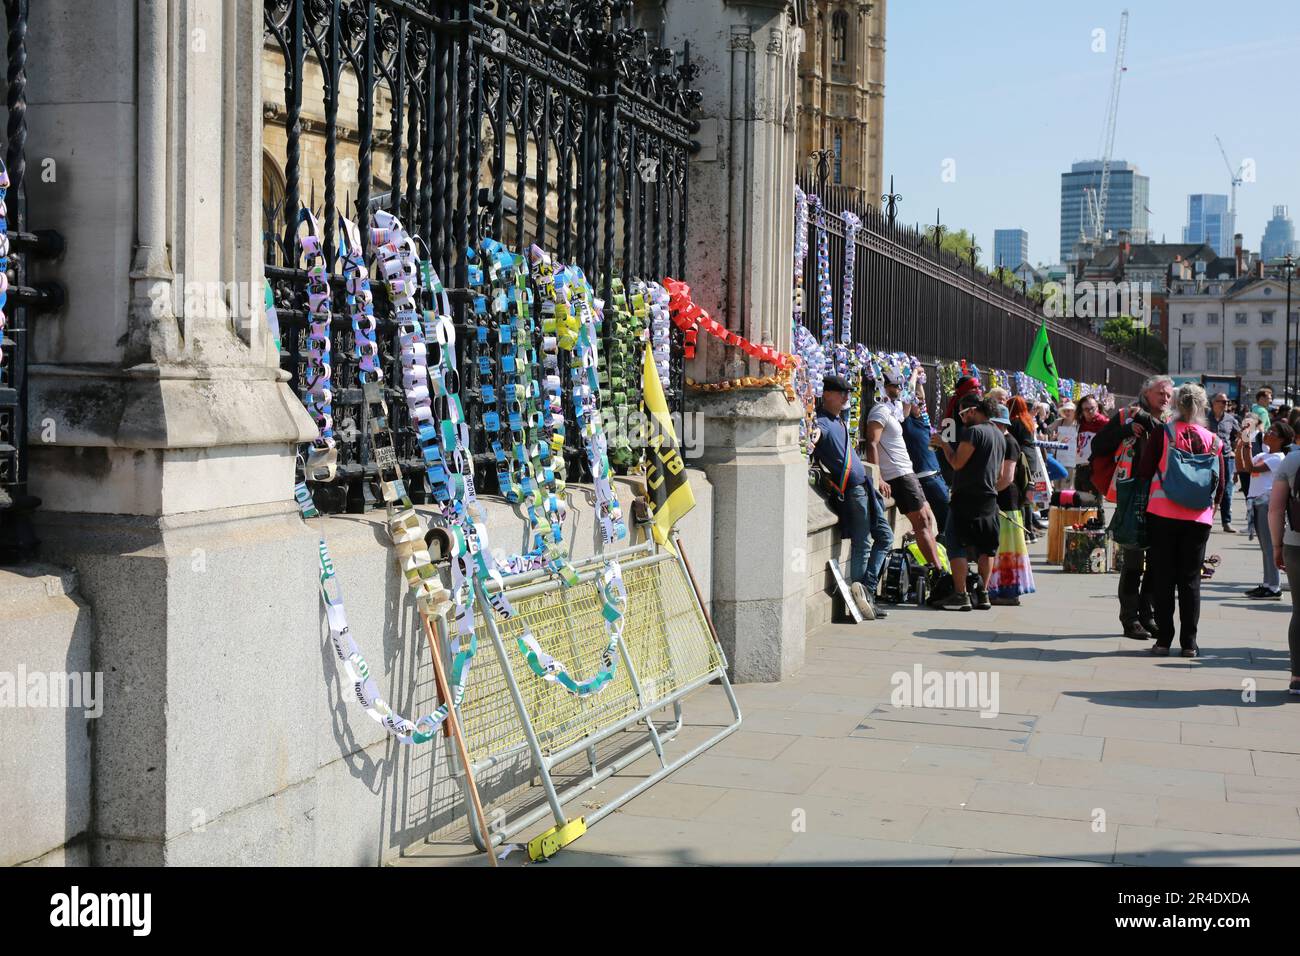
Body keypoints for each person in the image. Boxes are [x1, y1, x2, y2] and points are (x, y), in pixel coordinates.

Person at [1137, 383, 1226, 657]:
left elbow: (1144, 472)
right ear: (1203, 407)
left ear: (1175, 404)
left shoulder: (1164, 434)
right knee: (1190, 581)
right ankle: (1190, 643)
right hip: (1198, 518)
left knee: (1163, 578)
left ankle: (1164, 639)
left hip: (1163, 513)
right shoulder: (1214, 440)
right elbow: (1220, 485)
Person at [1090, 374, 1172, 640]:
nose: (1166, 398)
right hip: (1132, 497)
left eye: (1169, 394)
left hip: (1162, 498)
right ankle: (1130, 618)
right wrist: (1126, 430)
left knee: (1157, 562)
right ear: (1147, 393)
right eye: (1161, 393)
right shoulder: (1127, 415)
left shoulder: (1172, 420)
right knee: (1134, 560)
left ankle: (1147, 615)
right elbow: (1098, 445)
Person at [812, 375, 892, 621]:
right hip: (853, 490)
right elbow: (813, 438)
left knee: (885, 537)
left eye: (848, 392)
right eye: (841, 392)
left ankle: (865, 589)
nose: (847, 397)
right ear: (827, 394)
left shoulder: (839, 420)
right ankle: (862, 594)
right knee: (863, 542)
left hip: (865, 486)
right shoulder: (822, 421)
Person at [929, 394, 1002, 612]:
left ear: (972, 411)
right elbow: (998, 472)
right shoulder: (998, 434)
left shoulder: (973, 432)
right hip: (989, 498)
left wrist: (943, 445)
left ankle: (961, 595)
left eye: (962, 414)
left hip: (966, 498)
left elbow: (957, 463)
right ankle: (983, 593)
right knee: (986, 548)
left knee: (956, 543)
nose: (961, 419)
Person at [865, 368, 944, 569]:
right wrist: (878, 477)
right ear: (882, 386)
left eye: (899, 385)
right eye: (893, 384)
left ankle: (937, 567)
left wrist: (915, 376)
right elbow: (872, 443)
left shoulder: (894, 409)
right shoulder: (879, 411)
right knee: (921, 522)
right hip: (897, 475)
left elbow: (910, 399)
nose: (898, 389)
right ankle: (936, 569)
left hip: (907, 471)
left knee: (926, 519)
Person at [987, 403, 1035, 606]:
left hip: (1006, 501)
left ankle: (1007, 592)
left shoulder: (1009, 443)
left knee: (1006, 549)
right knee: (1003, 550)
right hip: (1004, 500)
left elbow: (1006, 477)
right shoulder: (1003, 440)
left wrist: (988, 493)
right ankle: (1001, 590)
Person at [1239, 420, 1293, 600]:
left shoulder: (1278, 458)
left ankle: (1274, 587)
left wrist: (1247, 444)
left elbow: (1252, 468)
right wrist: (1243, 443)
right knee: (1265, 547)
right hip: (1258, 502)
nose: (1268, 433)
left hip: (1267, 502)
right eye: (1268, 430)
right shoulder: (1264, 454)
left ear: (1282, 440)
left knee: (1270, 546)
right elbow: (1244, 467)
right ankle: (1268, 583)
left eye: (1273, 432)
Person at [900, 372, 950, 536]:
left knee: (947, 520)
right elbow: (907, 397)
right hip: (927, 478)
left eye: (921, 402)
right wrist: (913, 375)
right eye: (917, 401)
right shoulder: (906, 420)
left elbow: (920, 397)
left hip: (937, 476)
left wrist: (921, 378)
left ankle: (949, 551)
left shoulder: (922, 419)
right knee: (947, 521)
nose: (920, 404)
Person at [1268, 445, 1300, 693]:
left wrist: (1277, 545)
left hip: (1295, 544)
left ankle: (1297, 678)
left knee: (1299, 611)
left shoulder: (1292, 460)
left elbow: (1276, 508)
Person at [1206, 392, 1242, 533]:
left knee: (1226, 489)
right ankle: (1206, 519)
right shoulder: (1204, 418)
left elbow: (1240, 435)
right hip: (1208, 457)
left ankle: (1226, 522)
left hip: (1226, 457)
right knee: (1207, 488)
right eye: (1222, 401)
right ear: (1213, 402)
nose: (1225, 404)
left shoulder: (1230, 419)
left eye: (1226, 402)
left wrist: (1235, 447)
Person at [1074, 394, 1109, 518]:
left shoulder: (1104, 423)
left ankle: (1099, 533)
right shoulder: (1079, 424)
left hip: (1096, 468)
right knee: (1081, 500)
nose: (1089, 412)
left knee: (1094, 503)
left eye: (1092, 408)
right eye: (1086, 409)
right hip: (1080, 466)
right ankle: (1083, 531)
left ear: (1098, 408)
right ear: (1081, 410)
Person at [1052, 402, 1078, 490]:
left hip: (1071, 460)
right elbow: (1048, 432)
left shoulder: (1078, 424)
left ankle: (1065, 503)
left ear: (1074, 412)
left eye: (1070, 411)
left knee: (1066, 485)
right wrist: (1053, 437)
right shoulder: (1059, 422)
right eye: (1066, 411)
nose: (1067, 413)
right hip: (1058, 458)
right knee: (1057, 485)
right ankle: (1056, 502)